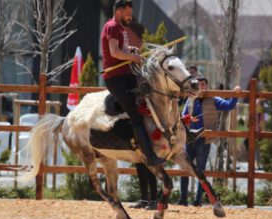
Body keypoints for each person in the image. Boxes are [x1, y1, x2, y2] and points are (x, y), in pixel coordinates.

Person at [101, 0, 165, 166]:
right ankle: (149, 156)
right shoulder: (112, 26)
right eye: (128, 14)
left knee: (148, 97)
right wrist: (134, 57)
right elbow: (114, 52)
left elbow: (122, 49)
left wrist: (131, 51)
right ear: (119, 11)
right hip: (116, 79)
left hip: (126, 75)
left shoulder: (121, 28)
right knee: (136, 115)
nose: (130, 17)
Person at [178, 76, 241, 206]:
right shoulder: (191, 100)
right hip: (189, 138)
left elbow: (229, 105)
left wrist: (235, 93)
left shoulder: (214, 99)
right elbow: (182, 118)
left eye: (203, 84)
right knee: (185, 168)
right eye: (198, 84)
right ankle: (183, 199)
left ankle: (198, 200)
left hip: (204, 139)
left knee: (200, 170)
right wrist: (189, 118)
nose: (200, 87)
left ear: (207, 86)